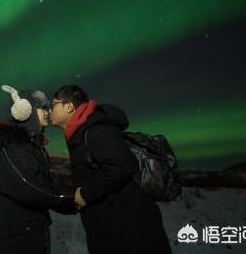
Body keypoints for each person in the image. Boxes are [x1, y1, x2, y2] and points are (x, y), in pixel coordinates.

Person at [48, 85, 172, 254]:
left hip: (129, 231)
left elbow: (120, 166)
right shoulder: (81, 132)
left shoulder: (96, 130)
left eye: (53, 104)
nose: (49, 110)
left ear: (68, 106)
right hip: (114, 228)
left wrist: (85, 194)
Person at [0, 85, 75, 254]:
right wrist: (74, 198)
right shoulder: (12, 146)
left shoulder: (26, 145)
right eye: (42, 108)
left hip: (21, 233)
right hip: (8, 239)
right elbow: (30, 185)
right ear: (26, 112)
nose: (48, 111)